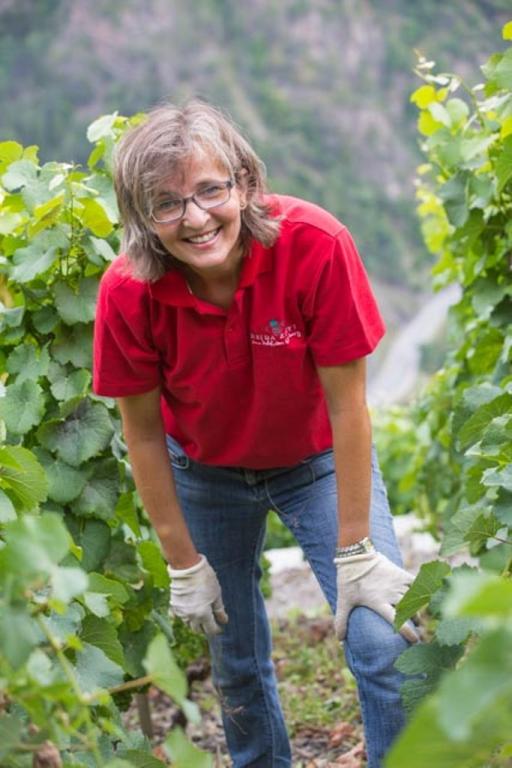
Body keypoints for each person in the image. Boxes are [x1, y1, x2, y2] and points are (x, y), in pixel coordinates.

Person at [93, 100, 417, 768]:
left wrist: (357, 552)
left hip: (317, 462)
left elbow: (349, 408)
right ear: (141, 217)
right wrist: (183, 564)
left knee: (382, 639)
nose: (195, 217)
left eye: (210, 190)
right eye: (166, 203)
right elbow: (145, 437)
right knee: (234, 659)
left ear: (243, 182)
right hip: (204, 473)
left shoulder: (315, 245)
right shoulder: (127, 291)